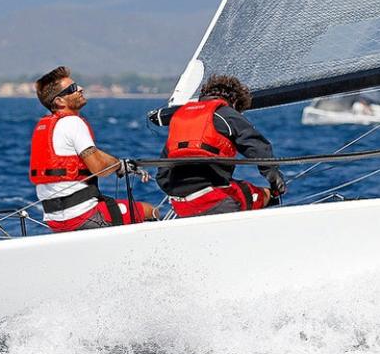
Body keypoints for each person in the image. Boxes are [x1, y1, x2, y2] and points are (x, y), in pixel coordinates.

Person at [30, 66, 155, 233]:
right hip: (82, 216)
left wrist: (121, 164)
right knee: (150, 211)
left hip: (55, 220)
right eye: (73, 88)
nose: (80, 89)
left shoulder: (46, 126)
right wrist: (118, 166)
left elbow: (91, 154)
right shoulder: (73, 122)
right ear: (60, 101)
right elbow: (99, 168)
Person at [155, 74, 286, 217]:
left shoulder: (180, 118)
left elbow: (162, 175)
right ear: (235, 102)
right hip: (213, 200)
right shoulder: (226, 113)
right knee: (257, 194)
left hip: (180, 204)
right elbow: (259, 148)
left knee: (242, 189)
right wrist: (275, 180)